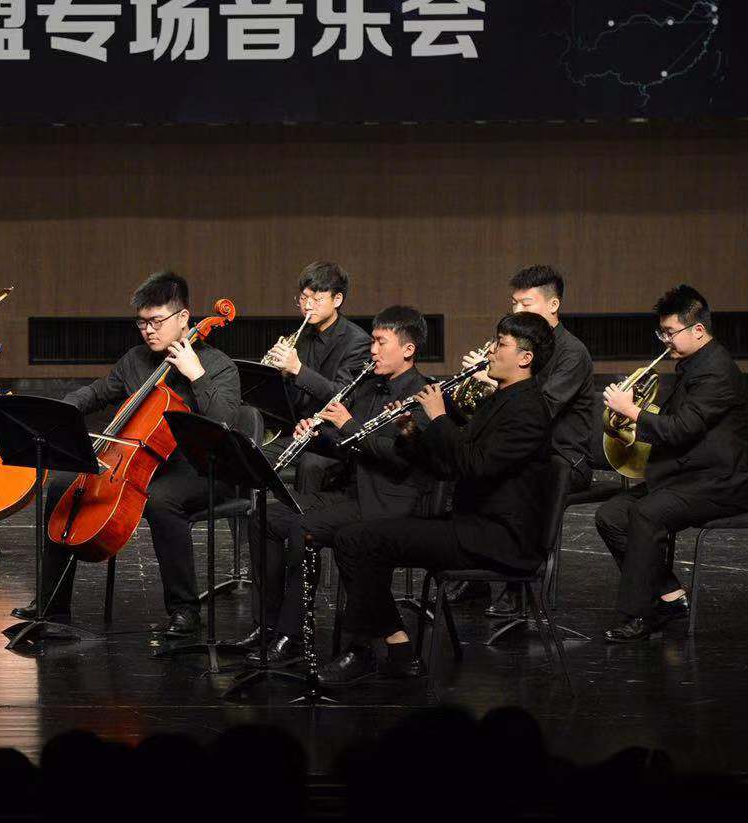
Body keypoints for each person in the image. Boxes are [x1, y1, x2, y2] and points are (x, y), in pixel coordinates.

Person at [320, 312, 556, 686]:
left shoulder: (528, 410)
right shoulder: (501, 399)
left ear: (525, 358)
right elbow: (447, 467)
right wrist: (411, 430)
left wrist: (439, 416)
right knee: (356, 537)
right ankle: (394, 647)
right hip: (472, 526)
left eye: (500, 345)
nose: (490, 352)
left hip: (498, 539)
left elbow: (474, 465)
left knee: (357, 539)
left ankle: (380, 652)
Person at [11, 271, 243, 638]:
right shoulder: (136, 359)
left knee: (162, 502)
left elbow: (226, 423)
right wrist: (59, 411)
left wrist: (196, 375)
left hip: (199, 467)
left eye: (157, 321)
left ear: (184, 317)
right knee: (62, 485)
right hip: (142, 460)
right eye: (142, 322)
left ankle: (185, 610)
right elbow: (99, 392)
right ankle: (52, 602)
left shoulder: (218, 365)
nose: (148, 330)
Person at [235, 306, 434, 659]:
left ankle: (292, 634)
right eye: (372, 342)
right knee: (264, 517)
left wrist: (347, 425)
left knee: (303, 527)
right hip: (351, 492)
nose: (372, 350)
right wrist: (315, 437)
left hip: (386, 502)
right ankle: (268, 625)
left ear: (408, 349)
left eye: (380, 342)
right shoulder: (369, 385)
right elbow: (345, 445)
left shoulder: (423, 398)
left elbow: (397, 457)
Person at [596, 284, 748, 642]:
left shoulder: (716, 372)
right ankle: (668, 596)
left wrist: (632, 411)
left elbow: (682, 429)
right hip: (688, 476)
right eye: (662, 333)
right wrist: (634, 414)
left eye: (670, 332)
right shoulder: (694, 364)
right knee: (610, 515)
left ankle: (639, 615)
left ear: (698, 329)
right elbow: (676, 425)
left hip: (720, 484)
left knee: (646, 513)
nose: (665, 341)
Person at [461, 265, 599, 618]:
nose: (517, 311)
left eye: (526, 304)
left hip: (563, 458)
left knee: (513, 481)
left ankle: (518, 584)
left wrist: (496, 382)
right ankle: (472, 571)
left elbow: (540, 409)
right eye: (514, 304)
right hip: (524, 449)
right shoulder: (516, 344)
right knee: (466, 468)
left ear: (553, 305)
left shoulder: (572, 353)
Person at [262, 261, 371, 493]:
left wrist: (297, 369)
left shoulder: (357, 342)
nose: (307, 306)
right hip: (300, 431)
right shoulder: (301, 336)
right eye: (303, 298)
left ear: (337, 300)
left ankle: (305, 517)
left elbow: (342, 395)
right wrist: (280, 375)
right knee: (252, 456)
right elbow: (292, 398)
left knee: (311, 466)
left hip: (335, 436)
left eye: (317, 299)